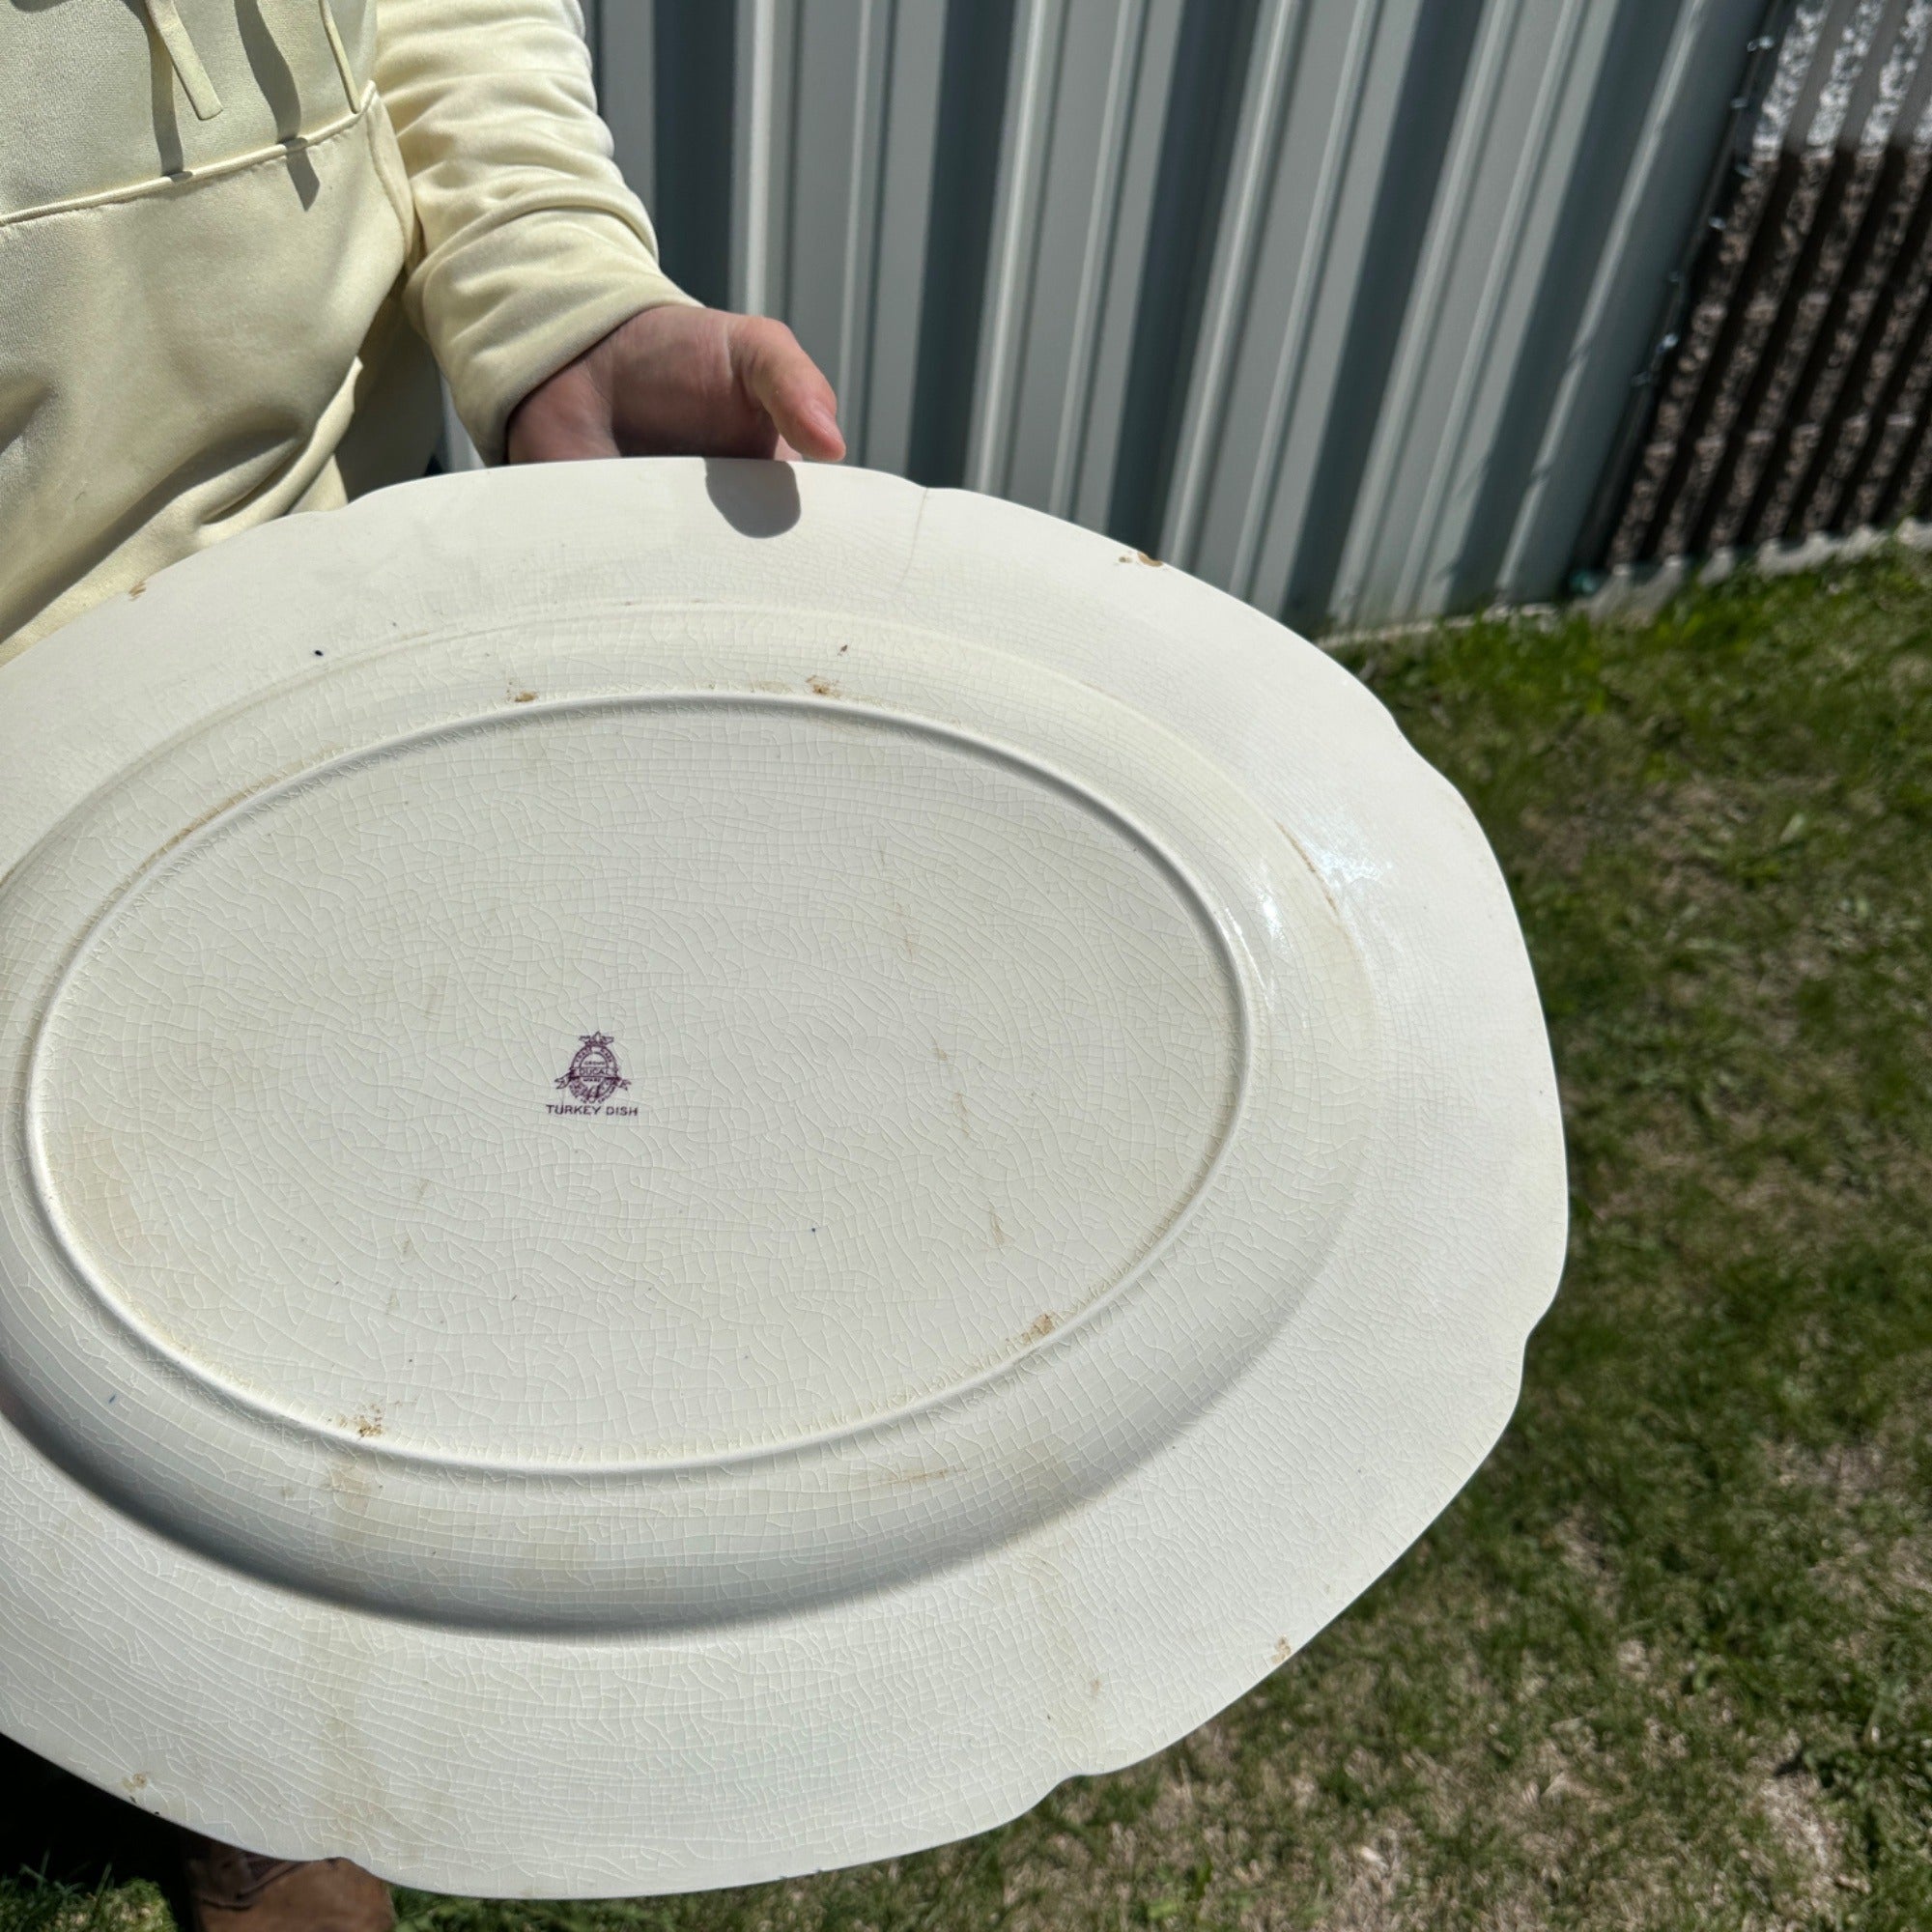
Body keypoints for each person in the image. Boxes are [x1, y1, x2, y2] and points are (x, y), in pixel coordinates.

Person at [0, 2, 846, 1924]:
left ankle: (255, 1750)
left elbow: (446, 13)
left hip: (311, 640)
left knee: (308, 1251)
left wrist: (558, 306)